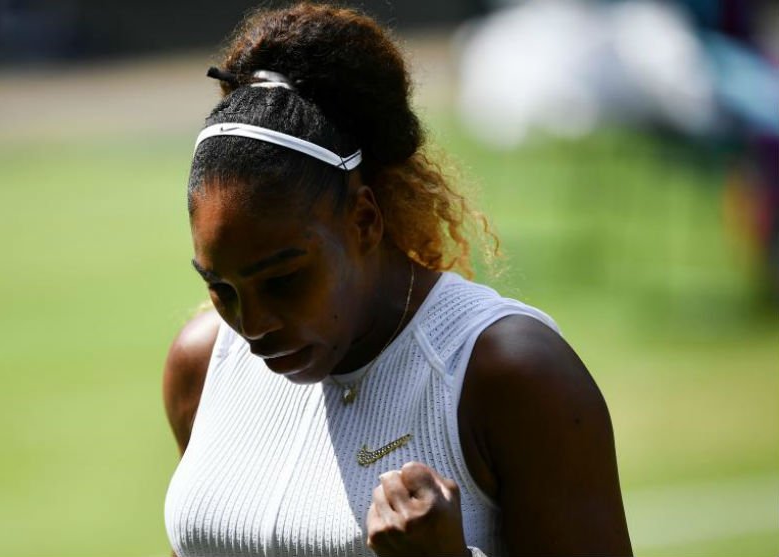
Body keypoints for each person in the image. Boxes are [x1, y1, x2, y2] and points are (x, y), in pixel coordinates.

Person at [162, 3, 632, 556]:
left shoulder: (510, 374)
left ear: (364, 219)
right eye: (222, 289)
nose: (254, 326)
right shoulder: (201, 367)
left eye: (284, 279)